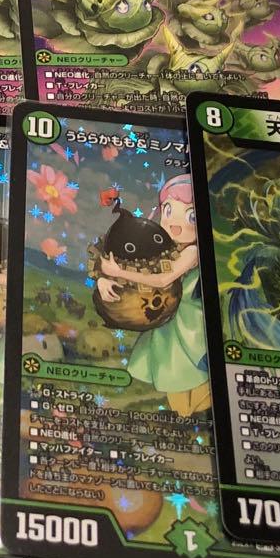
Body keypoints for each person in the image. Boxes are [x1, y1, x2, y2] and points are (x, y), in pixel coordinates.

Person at [96, 173, 210, 416]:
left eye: (190, 215)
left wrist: (119, 272)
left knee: (189, 373)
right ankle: (186, 413)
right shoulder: (164, 246)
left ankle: (199, 410)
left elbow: (163, 279)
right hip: (167, 321)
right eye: (169, 210)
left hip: (189, 323)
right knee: (170, 372)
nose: (175, 224)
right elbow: (136, 269)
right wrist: (104, 280)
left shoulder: (192, 252)